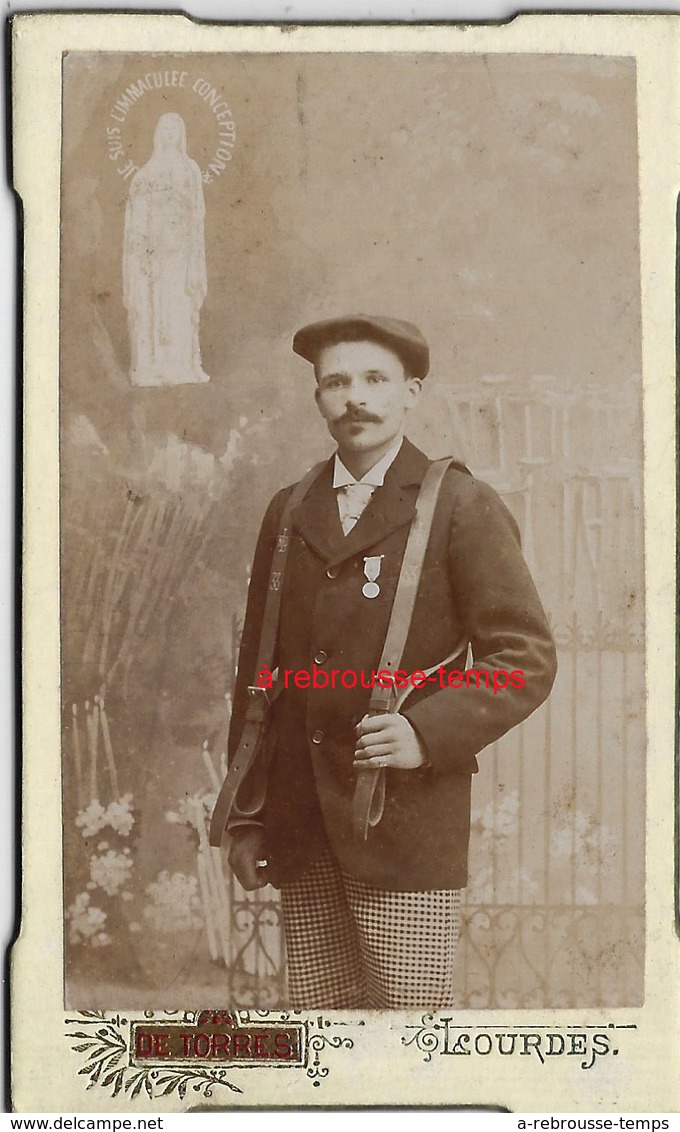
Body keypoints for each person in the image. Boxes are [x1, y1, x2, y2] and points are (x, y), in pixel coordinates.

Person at [216, 314, 557, 1009]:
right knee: (324, 1029)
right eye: (335, 382)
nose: (355, 399)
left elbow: (524, 656)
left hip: (405, 826)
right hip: (301, 822)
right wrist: (249, 814)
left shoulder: (461, 504)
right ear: (318, 399)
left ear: (412, 392)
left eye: (375, 380)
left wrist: (425, 732)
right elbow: (260, 675)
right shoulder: (289, 512)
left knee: (409, 1032)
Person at [123, 112, 209, 387]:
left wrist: (192, 255)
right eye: (166, 127)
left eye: (176, 127)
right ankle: (152, 366)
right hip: (156, 254)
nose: (170, 132)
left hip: (182, 253)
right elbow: (137, 216)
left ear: (182, 134)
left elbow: (198, 213)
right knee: (154, 308)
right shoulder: (145, 173)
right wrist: (145, 252)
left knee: (181, 307)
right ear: (158, 133)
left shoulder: (190, 169)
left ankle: (184, 365)